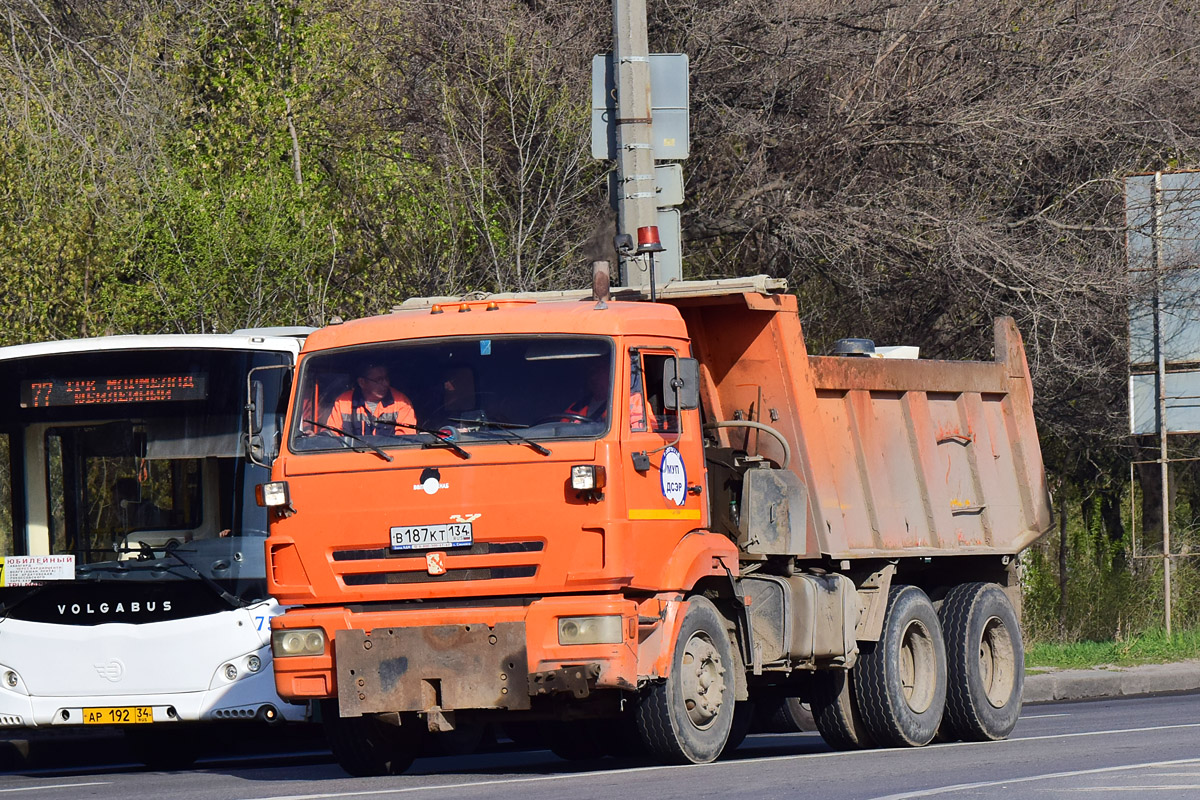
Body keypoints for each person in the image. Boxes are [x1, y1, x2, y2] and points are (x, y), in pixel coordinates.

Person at [325, 363, 416, 436]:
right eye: (379, 380)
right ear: (362, 382)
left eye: (386, 378)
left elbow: (405, 440)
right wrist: (317, 438)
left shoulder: (401, 402)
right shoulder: (343, 402)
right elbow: (332, 434)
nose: (385, 384)